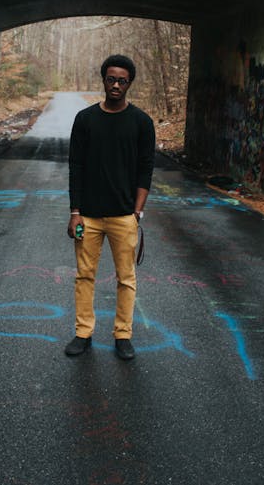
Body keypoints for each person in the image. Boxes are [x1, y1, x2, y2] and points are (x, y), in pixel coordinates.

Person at [65, 55, 155, 360]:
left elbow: (145, 170)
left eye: (122, 80)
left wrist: (137, 213)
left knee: (126, 278)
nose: (116, 85)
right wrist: (74, 212)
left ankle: (123, 335)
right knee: (84, 276)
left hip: (123, 217)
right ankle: (83, 333)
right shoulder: (85, 119)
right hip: (88, 216)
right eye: (111, 79)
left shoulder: (141, 122)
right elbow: (75, 166)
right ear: (103, 79)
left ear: (129, 83)